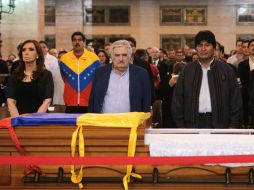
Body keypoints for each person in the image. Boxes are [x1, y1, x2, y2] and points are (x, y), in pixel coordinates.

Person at [172, 30, 242, 128]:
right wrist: (181, 126)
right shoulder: (187, 71)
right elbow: (177, 101)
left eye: (207, 45)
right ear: (196, 48)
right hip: (192, 125)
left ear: (214, 48)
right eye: (200, 45)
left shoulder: (226, 70)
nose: (203, 49)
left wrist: (232, 126)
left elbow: (235, 100)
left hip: (220, 125)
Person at [88, 40, 151, 113]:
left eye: (124, 55)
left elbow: (146, 102)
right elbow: (92, 100)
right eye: (117, 55)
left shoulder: (141, 74)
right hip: (104, 121)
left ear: (130, 56)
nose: (121, 59)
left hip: (131, 122)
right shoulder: (100, 73)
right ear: (111, 56)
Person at [7, 40, 54, 117]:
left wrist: (34, 120)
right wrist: (18, 120)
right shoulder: (15, 75)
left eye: (31, 49)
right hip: (19, 120)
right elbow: (10, 101)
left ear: (37, 55)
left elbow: (47, 101)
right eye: (24, 50)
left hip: (40, 120)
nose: (26, 52)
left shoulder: (46, 75)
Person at [60, 31, 100, 113]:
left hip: (88, 101)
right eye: (74, 40)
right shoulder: (64, 58)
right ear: (72, 42)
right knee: (70, 125)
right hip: (70, 101)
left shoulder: (94, 58)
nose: (77, 42)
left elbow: (98, 79)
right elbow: (64, 77)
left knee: (88, 125)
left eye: (80, 40)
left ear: (84, 42)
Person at [39, 41, 64, 107]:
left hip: (49, 85)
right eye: (40, 47)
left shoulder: (53, 59)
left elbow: (55, 75)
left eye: (44, 47)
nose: (42, 49)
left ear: (47, 48)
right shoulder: (35, 59)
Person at [238, 39, 254, 128]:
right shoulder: (241, 65)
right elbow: (238, 81)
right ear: (248, 48)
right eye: (252, 45)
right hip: (245, 99)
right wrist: (243, 90)